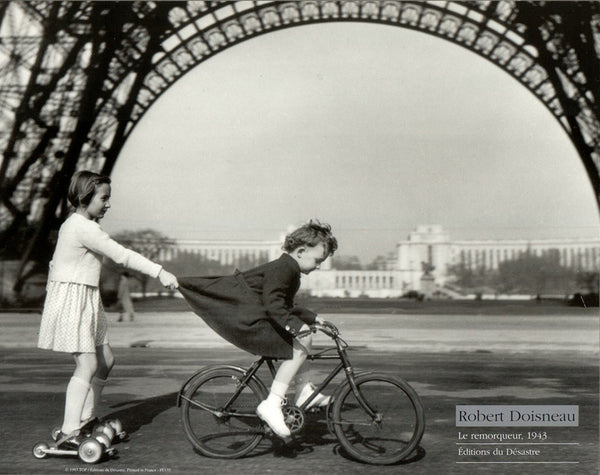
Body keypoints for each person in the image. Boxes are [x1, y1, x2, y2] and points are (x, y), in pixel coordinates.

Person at [37, 170, 178, 449]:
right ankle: (68, 431)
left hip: (85, 296)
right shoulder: (82, 227)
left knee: (106, 361)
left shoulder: (75, 224)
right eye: (104, 198)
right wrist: (159, 271)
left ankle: (85, 419)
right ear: (84, 196)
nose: (108, 204)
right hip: (73, 298)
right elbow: (121, 255)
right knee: (87, 364)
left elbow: (55, 263)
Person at [178, 220, 337, 439]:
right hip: (251, 321)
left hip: (256, 316)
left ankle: (303, 390)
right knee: (303, 339)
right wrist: (299, 327)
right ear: (301, 251)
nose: (319, 266)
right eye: (318, 260)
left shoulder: (289, 268)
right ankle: (272, 404)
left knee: (302, 339)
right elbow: (274, 305)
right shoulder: (284, 268)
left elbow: (286, 306)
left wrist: (314, 318)